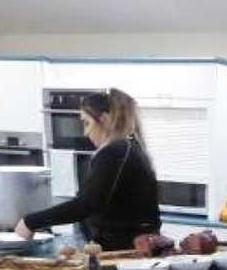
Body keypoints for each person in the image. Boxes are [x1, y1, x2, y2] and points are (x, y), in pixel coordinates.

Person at [15, 88, 161, 251]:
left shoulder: (114, 151)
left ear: (104, 120)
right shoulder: (130, 147)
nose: (85, 132)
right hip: (134, 248)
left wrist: (30, 222)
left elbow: (86, 204)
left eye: (86, 123)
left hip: (123, 251)